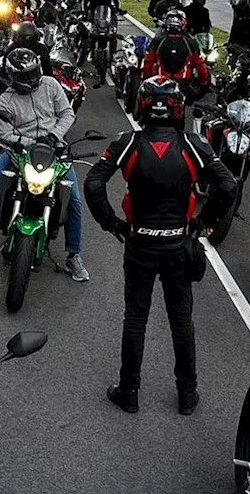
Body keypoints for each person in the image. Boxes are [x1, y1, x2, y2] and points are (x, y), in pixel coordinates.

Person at [85, 77, 237, 415]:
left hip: (139, 243)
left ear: (141, 106)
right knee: (181, 321)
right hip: (178, 245)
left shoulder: (127, 143)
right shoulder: (193, 144)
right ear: (178, 109)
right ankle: (187, 394)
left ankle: (129, 392)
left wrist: (110, 223)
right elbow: (227, 185)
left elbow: (93, 183)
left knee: (135, 319)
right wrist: (202, 223)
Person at [0, 49, 89, 282]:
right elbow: (4, 132)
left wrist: (54, 136)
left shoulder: (52, 85)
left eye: (33, 73)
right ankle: (5, 206)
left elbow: (67, 114)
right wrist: (27, 142)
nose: (31, 79)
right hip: (21, 151)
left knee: (73, 200)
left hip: (55, 150)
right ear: (13, 77)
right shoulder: (6, 99)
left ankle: (74, 254)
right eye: (25, 76)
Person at [143, 10, 209, 103]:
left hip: (161, 82)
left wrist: (146, 80)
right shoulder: (190, 43)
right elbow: (200, 65)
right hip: (182, 82)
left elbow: (148, 63)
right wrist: (204, 83)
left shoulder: (158, 41)